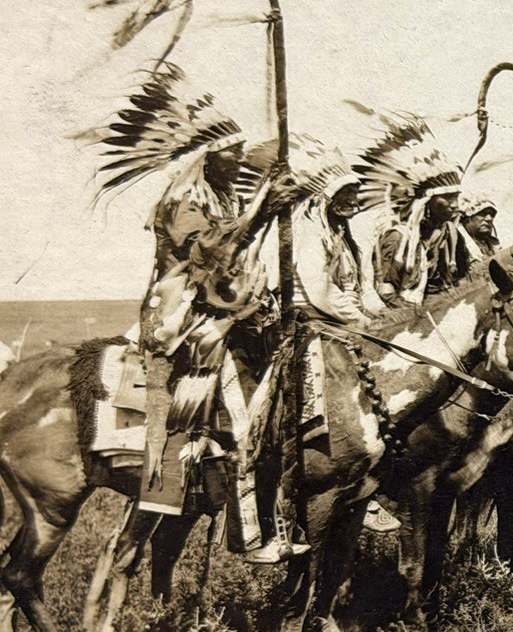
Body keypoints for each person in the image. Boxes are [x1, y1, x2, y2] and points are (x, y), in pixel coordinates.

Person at [93, 62, 287, 562]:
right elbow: (206, 256)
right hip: (183, 317)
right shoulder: (185, 201)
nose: (238, 159)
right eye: (230, 153)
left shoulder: (220, 196)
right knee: (225, 409)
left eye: (240, 152)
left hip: (219, 308)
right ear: (207, 157)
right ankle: (232, 521)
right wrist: (262, 211)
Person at [290, 141, 402, 534]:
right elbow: (320, 292)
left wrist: (385, 319)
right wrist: (362, 322)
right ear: (327, 197)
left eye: (355, 193)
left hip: (344, 320)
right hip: (313, 321)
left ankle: (367, 483)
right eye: (345, 193)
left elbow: (361, 289)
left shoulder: (347, 237)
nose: (352, 201)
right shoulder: (310, 232)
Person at [356, 114, 475, 306]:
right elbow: (387, 293)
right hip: (408, 314)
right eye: (447, 198)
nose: (455, 204)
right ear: (425, 202)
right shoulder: (398, 239)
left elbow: (462, 279)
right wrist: (418, 315)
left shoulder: (450, 234)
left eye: (456, 197)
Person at [461, 193, 501, 258]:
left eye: (492, 215)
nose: (489, 219)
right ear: (467, 218)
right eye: (483, 214)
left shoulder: (492, 245)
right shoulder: (457, 244)